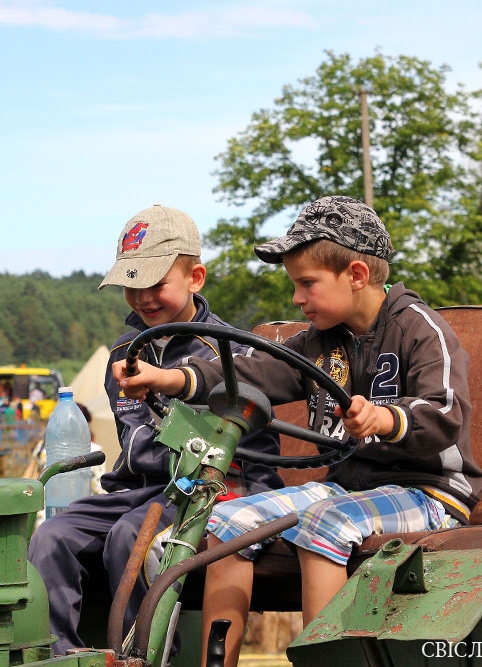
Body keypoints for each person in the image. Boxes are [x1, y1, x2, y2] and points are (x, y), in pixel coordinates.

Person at [113, 195, 482, 667]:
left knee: (324, 524)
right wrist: (166, 378)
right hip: (349, 488)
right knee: (227, 524)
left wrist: (386, 419)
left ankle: (323, 661)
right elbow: (251, 373)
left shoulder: (420, 330)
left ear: (356, 275)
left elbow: (445, 412)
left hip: (429, 493)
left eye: (307, 284)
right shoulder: (318, 343)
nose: (296, 298)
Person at [27, 203, 283, 656]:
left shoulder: (226, 352)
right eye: (131, 285)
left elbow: (259, 443)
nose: (142, 297)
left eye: (155, 284)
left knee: (132, 537)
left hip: (202, 495)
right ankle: (60, 656)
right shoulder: (123, 351)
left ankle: (141, 657)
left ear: (195, 278)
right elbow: (131, 439)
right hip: (136, 490)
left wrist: (257, 506)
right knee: (52, 536)